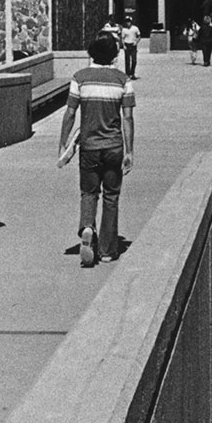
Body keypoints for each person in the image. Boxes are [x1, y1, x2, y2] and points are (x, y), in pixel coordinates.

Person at [57, 35, 135, 267]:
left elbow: (70, 113)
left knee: (89, 192)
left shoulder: (80, 78)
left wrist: (63, 143)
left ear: (91, 53)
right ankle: (109, 249)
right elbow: (128, 118)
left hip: (89, 147)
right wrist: (129, 151)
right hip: (113, 146)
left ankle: (88, 226)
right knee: (111, 196)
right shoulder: (123, 80)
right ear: (114, 55)